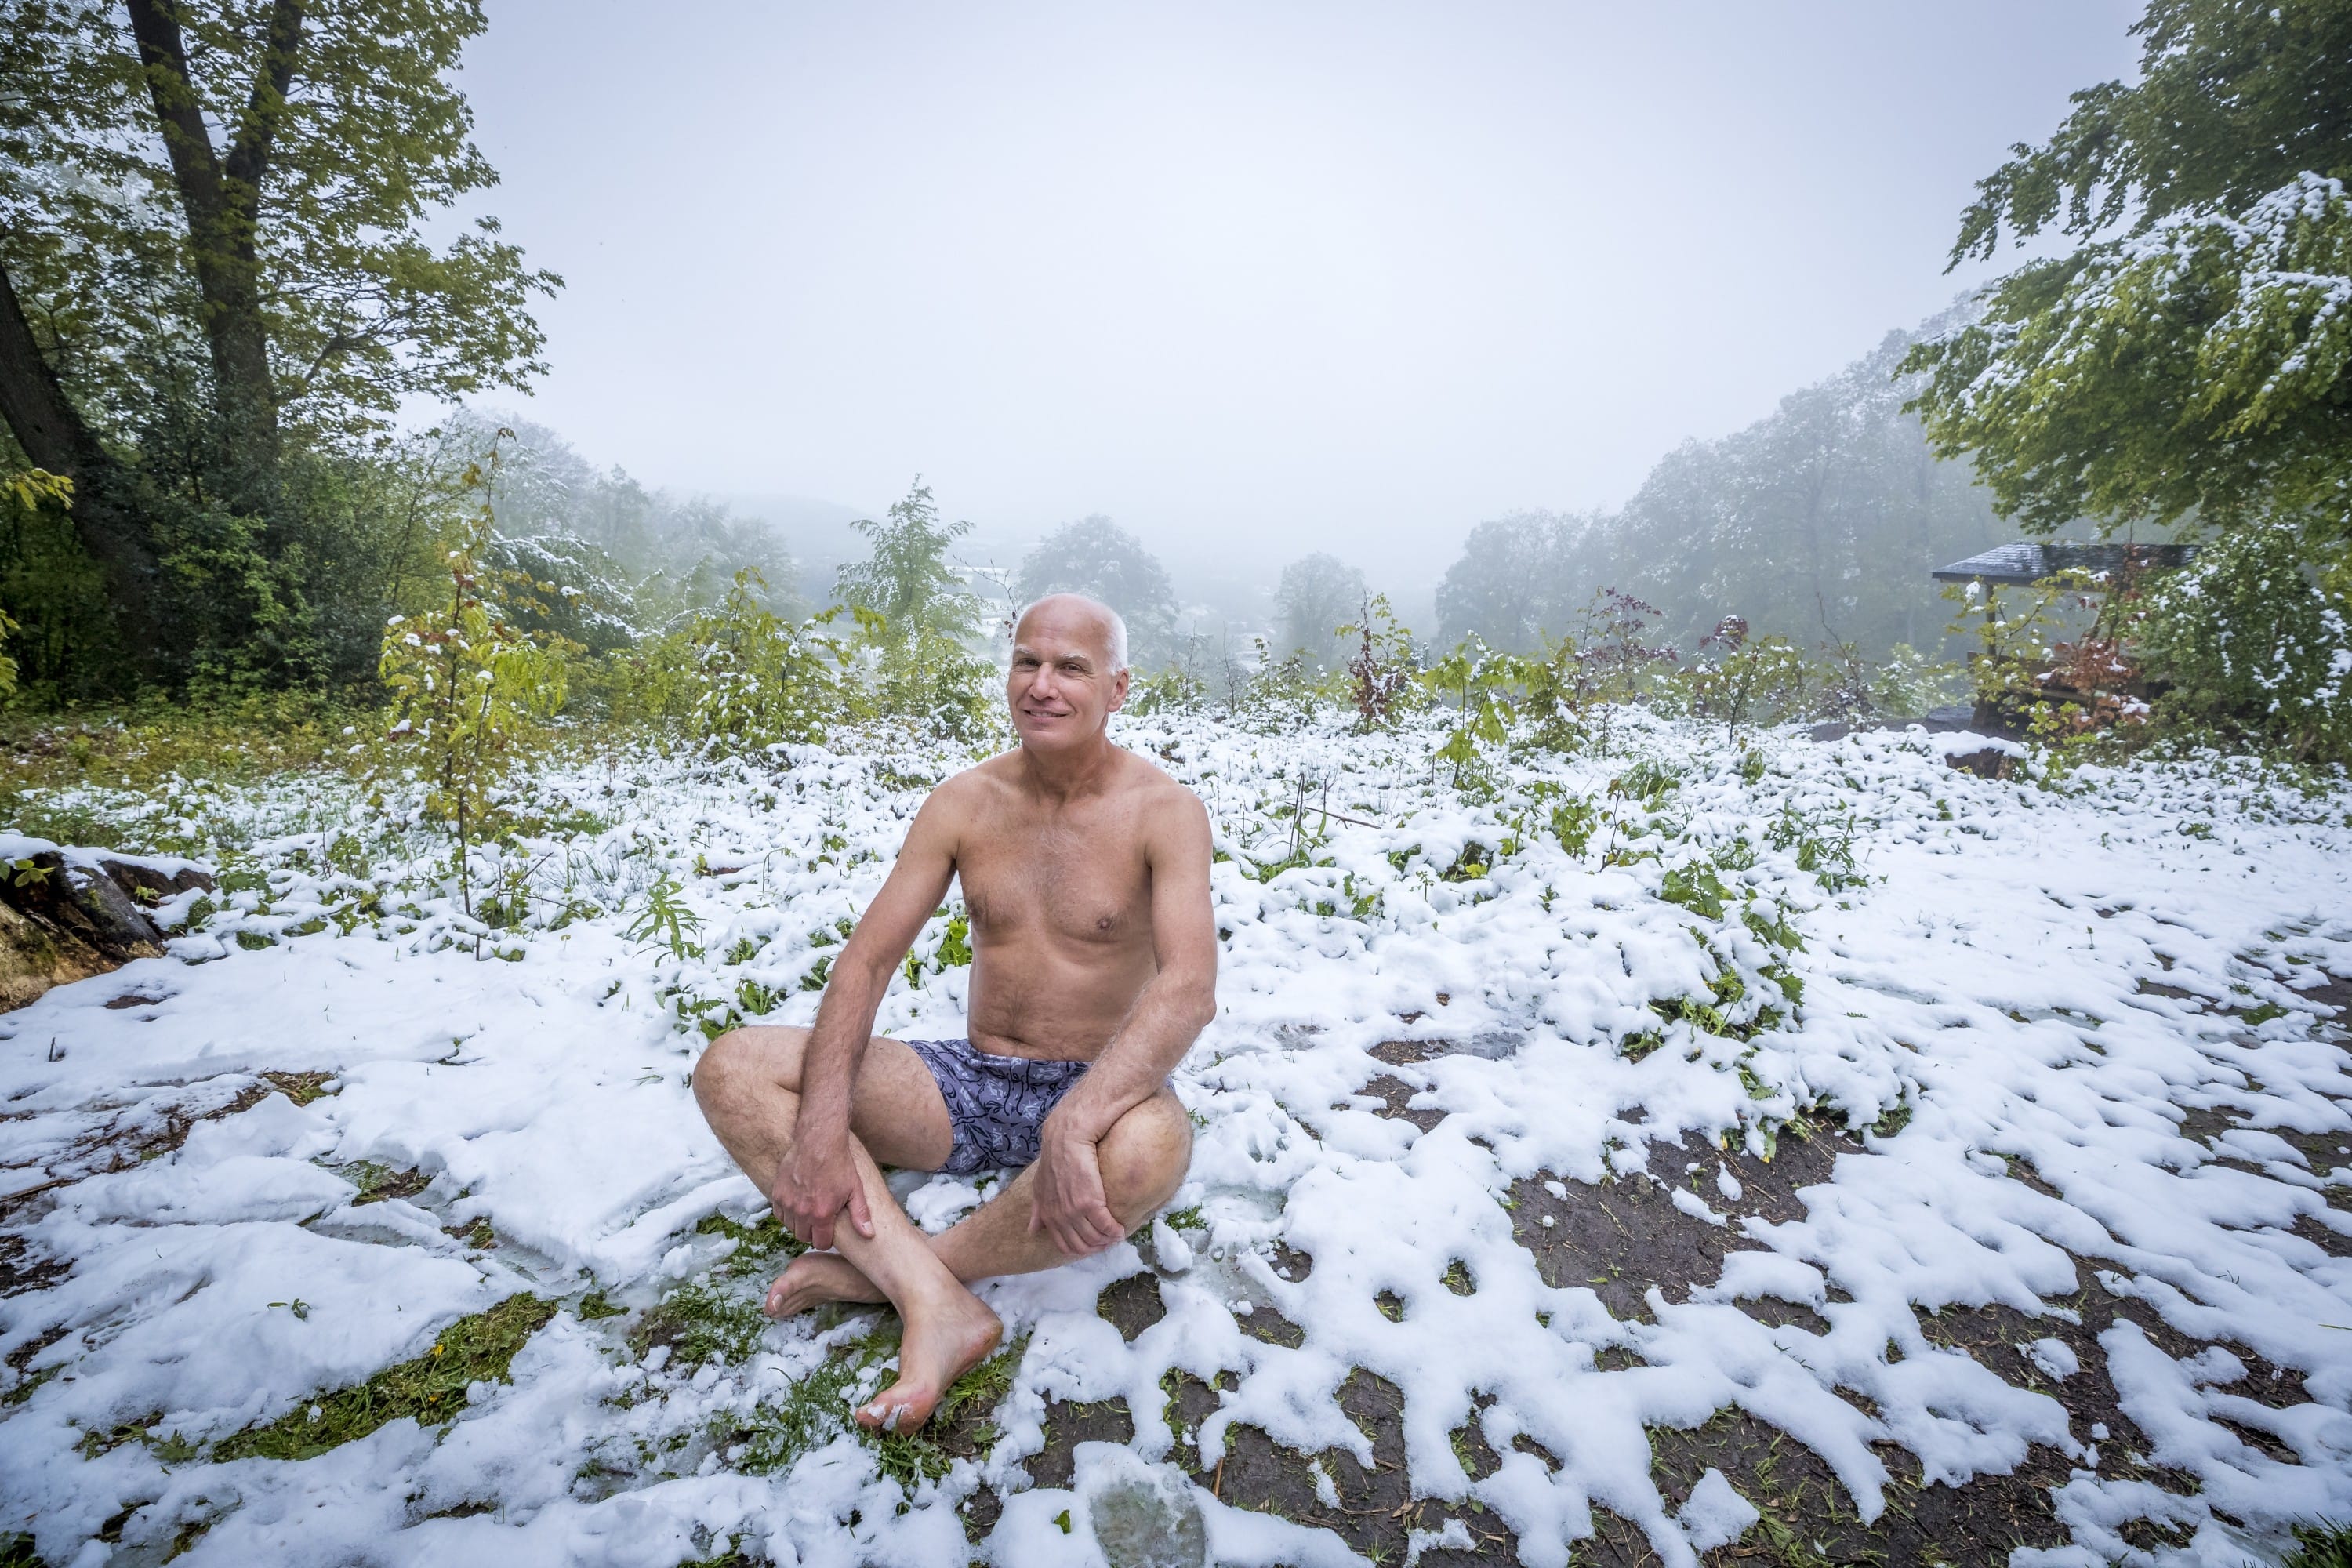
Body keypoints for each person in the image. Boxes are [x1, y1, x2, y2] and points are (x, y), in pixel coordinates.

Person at [692, 593, 1217, 1432]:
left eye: (1070, 668)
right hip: (970, 1083)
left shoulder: (1165, 811)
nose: (1041, 685)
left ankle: (891, 1278)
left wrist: (1078, 1119)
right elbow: (866, 961)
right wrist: (821, 1129)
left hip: (1100, 1088)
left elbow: (1190, 985)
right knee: (732, 1066)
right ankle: (937, 1302)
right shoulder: (965, 802)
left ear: (1118, 689)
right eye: (1026, 662)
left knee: (1156, 1149)